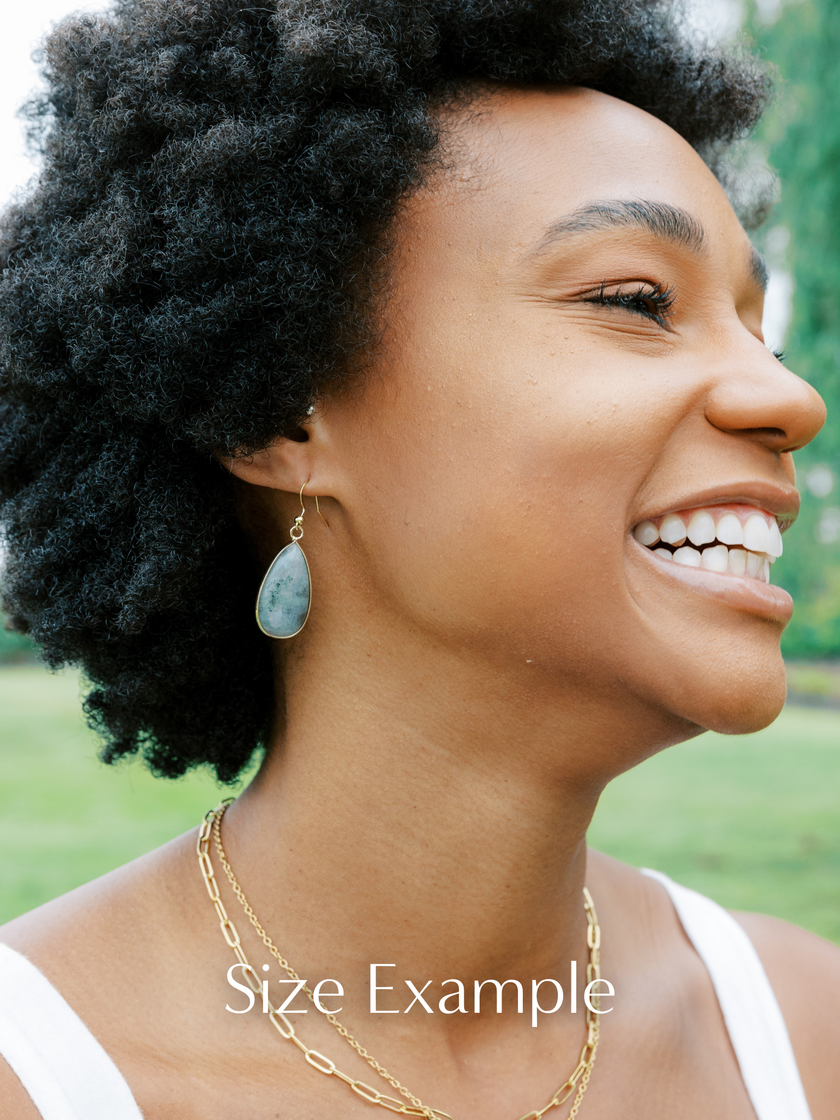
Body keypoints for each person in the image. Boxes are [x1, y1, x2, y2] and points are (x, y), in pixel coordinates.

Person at [0, 0, 838, 1117]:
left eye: (761, 330)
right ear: (282, 421)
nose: (790, 397)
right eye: (636, 300)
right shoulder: (42, 1076)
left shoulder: (802, 1031)